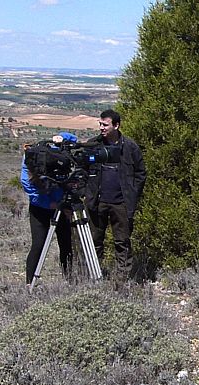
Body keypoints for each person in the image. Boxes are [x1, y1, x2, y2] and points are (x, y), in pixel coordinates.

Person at [84, 109, 146, 278]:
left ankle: (122, 279)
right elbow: (83, 171)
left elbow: (140, 174)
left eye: (105, 124)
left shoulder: (130, 147)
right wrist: (87, 193)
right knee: (95, 241)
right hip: (97, 202)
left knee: (122, 241)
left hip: (121, 203)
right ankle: (93, 275)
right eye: (100, 124)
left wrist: (132, 195)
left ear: (116, 125)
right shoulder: (93, 145)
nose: (101, 128)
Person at [21, 137, 73, 286]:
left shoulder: (57, 152)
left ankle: (69, 279)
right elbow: (27, 185)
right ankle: (30, 283)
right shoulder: (30, 158)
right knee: (38, 244)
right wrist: (48, 203)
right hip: (40, 209)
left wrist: (61, 139)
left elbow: (71, 139)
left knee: (66, 244)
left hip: (61, 206)